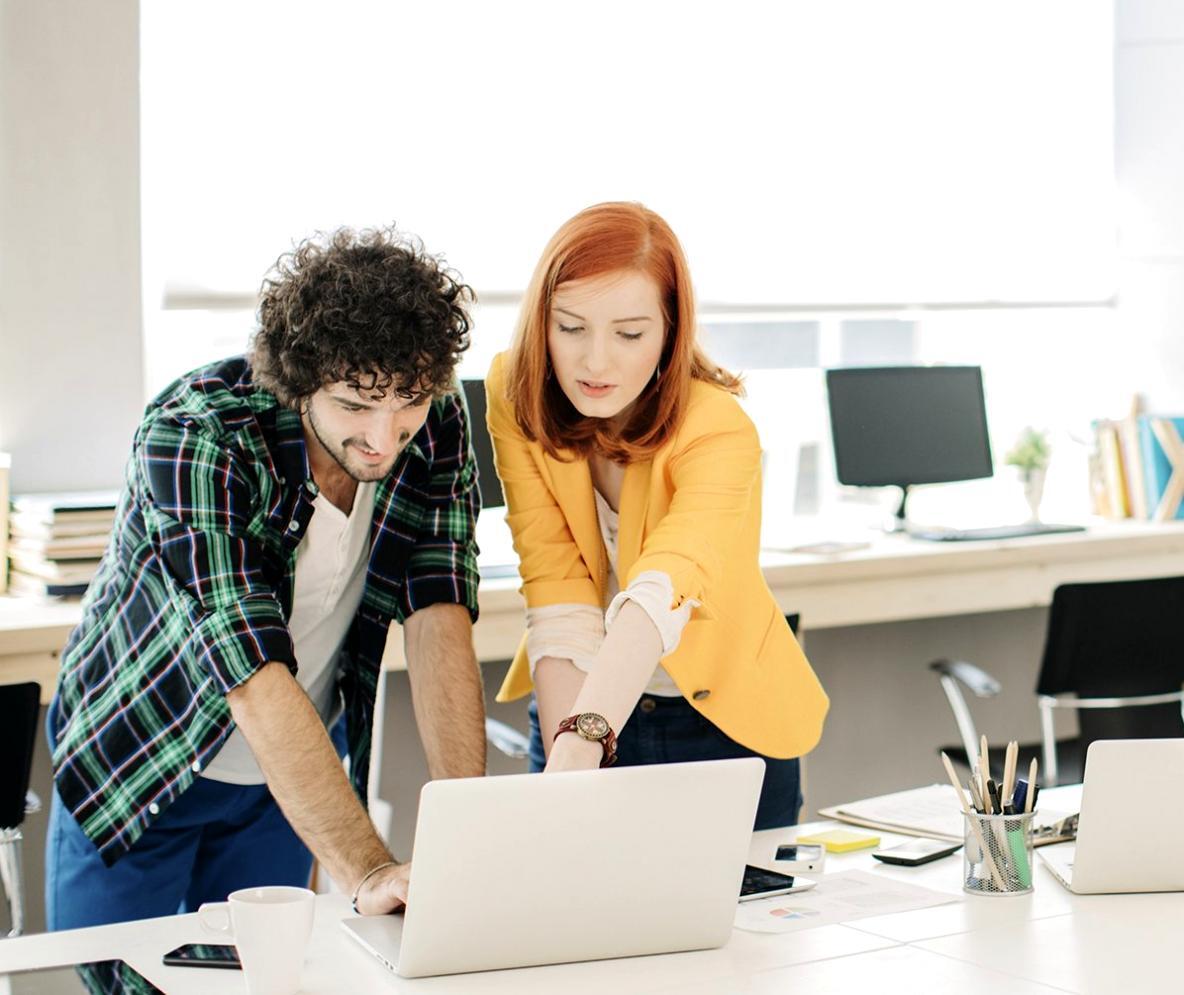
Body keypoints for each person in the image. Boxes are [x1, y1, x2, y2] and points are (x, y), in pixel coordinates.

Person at [45, 228, 485, 926]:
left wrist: (474, 833)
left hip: (286, 779)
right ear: (299, 376)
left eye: (408, 401)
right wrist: (368, 869)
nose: (382, 435)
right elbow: (247, 669)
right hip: (139, 761)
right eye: (352, 405)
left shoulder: (437, 416)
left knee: (262, 974)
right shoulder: (195, 434)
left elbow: (439, 609)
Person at [487, 202, 826, 829]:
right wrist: (571, 754)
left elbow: (665, 587)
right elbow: (554, 581)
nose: (595, 363)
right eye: (570, 327)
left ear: (671, 331)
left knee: (739, 927)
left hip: (724, 724)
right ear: (541, 321)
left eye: (630, 334)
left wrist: (581, 742)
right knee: (573, 911)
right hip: (579, 694)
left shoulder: (718, 426)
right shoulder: (515, 391)